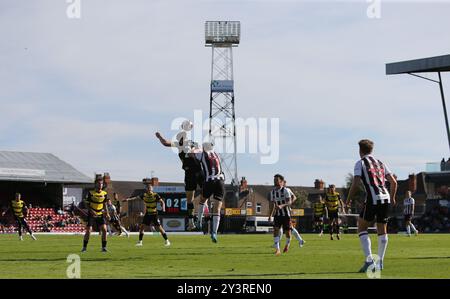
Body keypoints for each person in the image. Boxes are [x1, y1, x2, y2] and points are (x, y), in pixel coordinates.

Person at [346, 139, 397, 272]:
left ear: (360, 150)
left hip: (373, 198)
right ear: (371, 150)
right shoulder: (381, 162)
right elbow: (394, 182)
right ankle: (380, 263)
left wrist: (348, 200)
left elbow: (356, 183)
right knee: (382, 229)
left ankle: (369, 261)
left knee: (362, 227)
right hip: (385, 198)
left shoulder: (360, 163)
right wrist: (392, 198)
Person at [156, 120, 203, 231]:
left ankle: (200, 217)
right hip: (188, 172)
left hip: (199, 171)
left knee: (206, 192)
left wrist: (194, 150)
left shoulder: (193, 143)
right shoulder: (178, 144)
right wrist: (160, 137)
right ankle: (191, 221)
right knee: (189, 198)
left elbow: (201, 150)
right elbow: (165, 143)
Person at [192, 141, 225, 243]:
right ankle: (214, 233)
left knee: (202, 200)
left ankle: (199, 220)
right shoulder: (216, 154)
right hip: (220, 182)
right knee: (217, 209)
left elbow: (191, 153)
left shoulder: (202, 154)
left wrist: (194, 147)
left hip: (209, 181)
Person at [123, 179, 170, 247]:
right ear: (146, 189)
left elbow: (162, 202)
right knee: (142, 227)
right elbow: (135, 198)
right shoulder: (144, 195)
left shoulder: (155, 195)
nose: (149, 190)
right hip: (148, 214)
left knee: (159, 228)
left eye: (150, 188)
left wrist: (164, 208)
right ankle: (140, 242)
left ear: (152, 189)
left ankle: (167, 241)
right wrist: (127, 199)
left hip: (154, 213)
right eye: (148, 188)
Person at [81, 177, 110, 252]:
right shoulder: (91, 193)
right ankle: (84, 248)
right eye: (99, 183)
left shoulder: (104, 193)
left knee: (104, 229)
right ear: (95, 184)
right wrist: (91, 211)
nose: (100, 185)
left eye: (101, 183)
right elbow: (87, 204)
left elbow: (105, 204)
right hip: (92, 214)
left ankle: (104, 248)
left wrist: (107, 213)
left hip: (100, 214)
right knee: (89, 230)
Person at [268, 174, 294, 255]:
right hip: (277, 215)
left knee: (288, 233)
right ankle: (277, 249)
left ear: (281, 181)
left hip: (286, 215)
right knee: (276, 230)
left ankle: (287, 245)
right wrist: (270, 215)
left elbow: (289, 202)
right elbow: (272, 204)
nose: (275, 181)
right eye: (274, 180)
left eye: (276, 180)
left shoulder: (285, 190)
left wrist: (282, 205)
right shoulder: (272, 192)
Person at [275, 180, 305, 248]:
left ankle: (300, 240)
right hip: (280, 212)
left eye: (283, 183)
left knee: (289, 228)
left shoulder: (287, 190)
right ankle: (300, 240)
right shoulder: (277, 191)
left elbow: (294, 197)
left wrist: (289, 202)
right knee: (286, 228)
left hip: (286, 211)